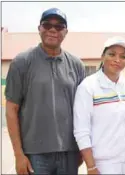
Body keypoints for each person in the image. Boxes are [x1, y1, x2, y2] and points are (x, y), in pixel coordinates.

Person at [5, 8, 85, 175]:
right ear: (39, 29)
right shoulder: (22, 62)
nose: (53, 30)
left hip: (69, 152)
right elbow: (11, 110)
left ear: (66, 31)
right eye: (47, 25)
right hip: (35, 153)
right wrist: (18, 154)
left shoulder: (76, 65)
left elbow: (82, 111)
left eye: (59, 26)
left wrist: (82, 149)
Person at [73, 36, 125, 174]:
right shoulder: (88, 86)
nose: (117, 60)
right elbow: (81, 130)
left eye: (123, 56)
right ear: (102, 56)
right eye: (112, 54)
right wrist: (91, 166)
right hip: (104, 163)